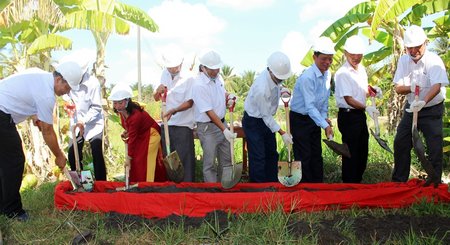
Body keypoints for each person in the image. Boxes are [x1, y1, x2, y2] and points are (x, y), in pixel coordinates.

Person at [0, 61, 83, 221]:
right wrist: (59, 155)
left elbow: (23, 94)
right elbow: (47, 131)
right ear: (59, 80)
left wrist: (35, 116)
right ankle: (13, 211)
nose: (67, 92)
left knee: (4, 163)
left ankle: (5, 206)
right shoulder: (46, 94)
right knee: (15, 161)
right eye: (67, 88)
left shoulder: (38, 74)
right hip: (1, 115)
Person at [392, 25, 448, 183]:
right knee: (401, 142)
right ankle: (399, 180)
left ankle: (435, 180)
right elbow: (398, 88)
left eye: (418, 47)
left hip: (432, 109)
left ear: (426, 43)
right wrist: (410, 88)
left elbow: (437, 86)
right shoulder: (404, 61)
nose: (414, 51)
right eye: (410, 48)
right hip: (411, 109)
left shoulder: (434, 60)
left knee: (434, 144)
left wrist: (423, 101)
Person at [334, 35, 382, 183]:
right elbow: (349, 99)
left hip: (359, 115)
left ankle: (358, 182)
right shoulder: (343, 73)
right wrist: (367, 107)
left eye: (359, 54)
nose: (356, 57)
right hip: (348, 116)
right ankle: (349, 184)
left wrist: (372, 90)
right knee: (351, 152)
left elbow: (361, 92)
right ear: (346, 53)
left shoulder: (361, 70)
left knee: (362, 150)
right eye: (352, 54)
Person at [290, 37, 335, 183]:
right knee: (304, 155)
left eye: (330, 59)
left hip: (314, 118)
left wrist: (324, 120)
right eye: (324, 59)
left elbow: (323, 102)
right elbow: (310, 106)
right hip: (300, 119)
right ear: (314, 57)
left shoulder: (327, 74)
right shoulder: (307, 78)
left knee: (316, 153)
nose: (327, 63)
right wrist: (325, 125)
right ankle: (305, 189)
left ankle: (318, 186)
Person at [242, 51, 293, 183]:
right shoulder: (261, 88)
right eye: (279, 77)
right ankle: (258, 190)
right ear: (271, 71)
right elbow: (266, 116)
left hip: (266, 120)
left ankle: (272, 185)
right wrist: (283, 133)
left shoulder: (273, 77)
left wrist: (283, 90)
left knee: (272, 154)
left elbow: (277, 86)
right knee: (258, 156)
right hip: (254, 122)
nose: (281, 80)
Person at [192, 49, 236, 183]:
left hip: (222, 123)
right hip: (208, 128)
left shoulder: (218, 78)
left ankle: (225, 186)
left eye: (217, 68)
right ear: (203, 68)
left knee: (227, 159)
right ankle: (211, 192)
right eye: (212, 69)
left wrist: (228, 97)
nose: (216, 72)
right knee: (210, 163)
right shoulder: (199, 85)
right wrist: (224, 129)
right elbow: (209, 112)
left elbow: (222, 93)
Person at [108, 84, 167, 182]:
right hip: (140, 135)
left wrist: (128, 157)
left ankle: (147, 185)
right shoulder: (122, 113)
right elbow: (131, 130)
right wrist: (127, 132)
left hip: (151, 135)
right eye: (115, 103)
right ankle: (137, 182)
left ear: (127, 101)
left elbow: (133, 136)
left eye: (120, 103)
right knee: (136, 160)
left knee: (144, 161)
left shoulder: (136, 116)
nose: (117, 106)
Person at [62, 54, 107, 181]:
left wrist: (84, 120)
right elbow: (66, 96)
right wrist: (68, 104)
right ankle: (80, 182)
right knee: (72, 154)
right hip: (76, 122)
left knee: (96, 153)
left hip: (93, 123)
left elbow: (96, 107)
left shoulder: (93, 84)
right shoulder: (68, 80)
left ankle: (101, 183)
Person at [153, 49, 196, 182]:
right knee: (169, 161)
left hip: (183, 125)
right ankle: (172, 191)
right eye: (170, 67)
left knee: (184, 161)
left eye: (175, 67)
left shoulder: (189, 77)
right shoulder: (164, 74)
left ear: (181, 63)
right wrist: (156, 92)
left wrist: (174, 110)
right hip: (167, 125)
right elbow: (157, 98)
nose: (172, 69)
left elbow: (190, 102)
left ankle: (186, 191)